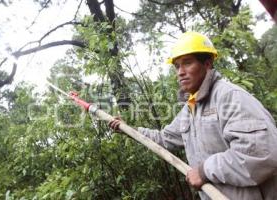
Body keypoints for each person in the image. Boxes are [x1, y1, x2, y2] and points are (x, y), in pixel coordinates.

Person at [109, 32, 277, 200]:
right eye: (177, 66)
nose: (180, 72)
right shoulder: (190, 109)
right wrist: (129, 129)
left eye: (187, 63)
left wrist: (204, 171)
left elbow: (262, 154)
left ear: (208, 63)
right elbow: (164, 138)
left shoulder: (230, 97)